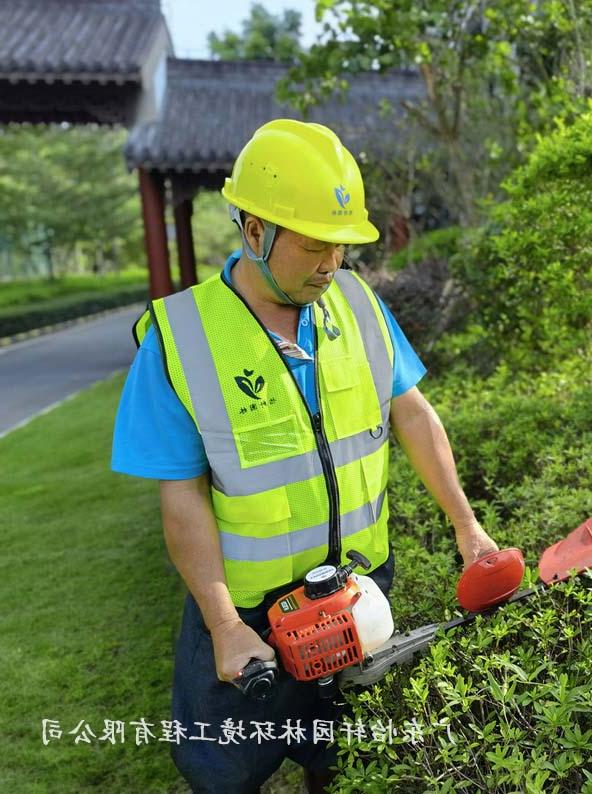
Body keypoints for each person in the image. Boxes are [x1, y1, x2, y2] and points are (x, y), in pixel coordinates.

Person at [111, 118, 499, 793]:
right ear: (254, 231)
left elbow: (412, 413)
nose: (331, 265)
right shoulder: (180, 339)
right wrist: (224, 623)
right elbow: (181, 497)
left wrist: (466, 526)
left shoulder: (358, 305)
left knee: (346, 754)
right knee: (226, 770)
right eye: (315, 246)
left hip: (359, 592)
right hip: (250, 616)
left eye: (342, 248)